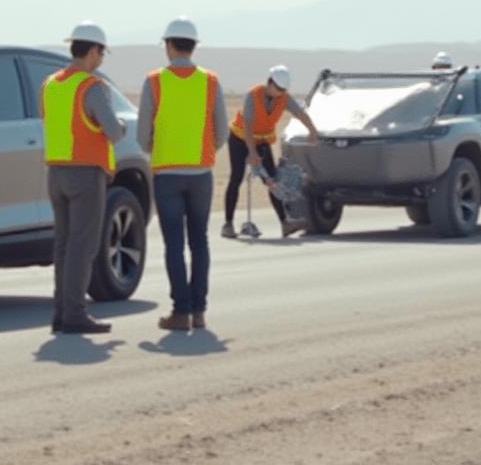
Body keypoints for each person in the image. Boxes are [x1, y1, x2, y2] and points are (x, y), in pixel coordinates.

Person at [136, 17, 228, 331]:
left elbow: (141, 135)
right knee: (199, 241)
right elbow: (221, 132)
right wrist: (204, 152)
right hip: (201, 173)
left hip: (167, 174)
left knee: (174, 244)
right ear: (193, 46)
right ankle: (199, 311)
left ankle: (181, 311)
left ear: (169, 45)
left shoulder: (154, 81)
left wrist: (157, 149)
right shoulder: (210, 81)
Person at [41, 21, 126, 334]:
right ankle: (75, 315)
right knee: (82, 246)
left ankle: (61, 313)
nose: (101, 59)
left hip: (56, 172)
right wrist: (120, 126)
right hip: (85, 173)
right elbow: (113, 131)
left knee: (64, 245)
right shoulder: (91, 86)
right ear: (93, 51)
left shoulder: (51, 84)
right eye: (101, 53)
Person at [224, 65, 321, 239]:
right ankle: (228, 224)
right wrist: (252, 153)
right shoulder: (253, 95)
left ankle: (285, 223)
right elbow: (247, 125)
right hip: (240, 138)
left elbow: (300, 113)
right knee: (236, 177)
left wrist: (312, 130)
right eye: (278, 89)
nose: (280, 93)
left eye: (283, 90)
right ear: (269, 83)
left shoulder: (283, 98)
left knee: (272, 181)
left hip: (262, 140)